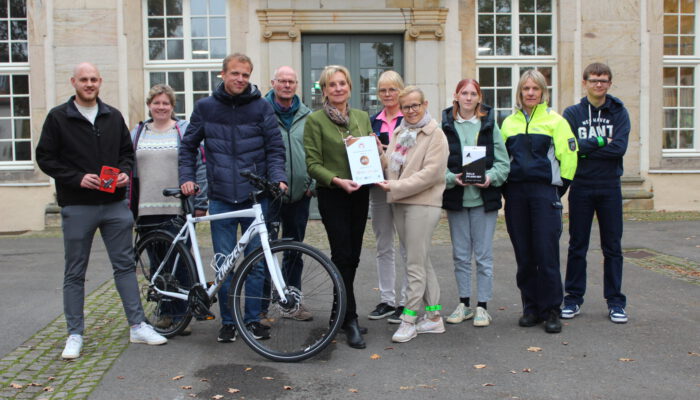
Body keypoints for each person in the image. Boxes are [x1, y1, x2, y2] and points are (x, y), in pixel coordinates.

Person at [36, 62, 167, 360]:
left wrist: (123, 172)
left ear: (100, 81)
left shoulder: (112, 116)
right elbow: (45, 157)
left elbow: (126, 154)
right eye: (84, 79)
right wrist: (76, 178)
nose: (89, 84)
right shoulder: (58, 118)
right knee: (75, 272)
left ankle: (137, 326)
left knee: (124, 267)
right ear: (73, 82)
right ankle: (75, 334)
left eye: (94, 79)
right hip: (77, 205)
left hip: (113, 205)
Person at [179, 53, 287, 343]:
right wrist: (187, 178)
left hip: (256, 197)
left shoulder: (262, 108)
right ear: (223, 74)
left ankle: (251, 319)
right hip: (221, 197)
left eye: (245, 75)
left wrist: (279, 177)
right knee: (224, 264)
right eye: (235, 73)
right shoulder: (206, 108)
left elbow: (275, 148)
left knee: (256, 262)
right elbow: (187, 147)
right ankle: (228, 322)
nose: (240, 79)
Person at [500, 69, 578, 334]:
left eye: (535, 89)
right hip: (516, 194)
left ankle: (552, 309)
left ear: (543, 92)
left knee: (546, 253)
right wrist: (506, 189)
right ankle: (531, 307)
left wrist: (558, 190)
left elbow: (569, 158)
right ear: (520, 93)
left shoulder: (556, 121)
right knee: (524, 253)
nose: (530, 93)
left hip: (545, 193)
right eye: (526, 89)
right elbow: (501, 160)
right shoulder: (508, 123)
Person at [128, 84, 208, 335]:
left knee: (180, 261)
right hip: (145, 208)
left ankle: (181, 314)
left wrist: (201, 201)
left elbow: (200, 164)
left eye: (166, 103)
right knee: (157, 264)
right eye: (156, 103)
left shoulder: (182, 130)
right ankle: (165, 311)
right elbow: (128, 167)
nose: (161, 107)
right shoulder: (138, 133)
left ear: (173, 107)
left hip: (176, 206)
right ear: (149, 105)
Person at [304, 65, 373, 349]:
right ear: (324, 90)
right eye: (332, 84)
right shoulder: (316, 121)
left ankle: (339, 312)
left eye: (342, 83)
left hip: (360, 192)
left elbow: (369, 154)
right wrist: (337, 180)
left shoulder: (361, 118)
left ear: (350, 88)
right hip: (333, 193)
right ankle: (350, 319)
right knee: (342, 254)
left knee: (353, 256)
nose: (338, 88)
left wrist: (377, 151)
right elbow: (312, 164)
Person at [375, 86, 449, 343]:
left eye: (416, 105)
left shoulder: (435, 134)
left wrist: (394, 186)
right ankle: (434, 316)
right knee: (421, 260)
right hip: (400, 202)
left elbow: (430, 174)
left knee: (414, 264)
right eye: (406, 107)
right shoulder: (400, 131)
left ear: (425, 104)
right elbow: (393, 165)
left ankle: (409, 318)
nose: (412, 110)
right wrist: (377, 151)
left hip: (422, 204)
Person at [561, 63, 630, 324]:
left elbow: (620, 148)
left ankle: (615, 302)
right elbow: (570, 148)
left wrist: (586, 148)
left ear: (610, 83)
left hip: (610, 186)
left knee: (612, 247)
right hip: (581, 185)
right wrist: (601, 141)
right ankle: (573, 298)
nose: (598, 84)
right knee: (577, 245)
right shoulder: (573, 113)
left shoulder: (619, 112)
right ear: (585, 82)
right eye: (594, 80)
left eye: (603, 80)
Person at [441, 79, 510, 327]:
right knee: (460, 256)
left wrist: (490, 178)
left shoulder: (490, 126)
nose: (468, 98)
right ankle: (464, 303)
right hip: (457, 200)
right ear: (456, 96)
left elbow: (504, 163)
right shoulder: (445, 126)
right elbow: (436, 164)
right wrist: (451, 178)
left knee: (483, 255)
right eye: (464, 93)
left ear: (479, 98)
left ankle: (482, 306)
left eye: (473, 94)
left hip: (483, 200)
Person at [263, 66, 313, 321]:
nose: (286, 85)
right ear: (273, 83)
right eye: (281, 81)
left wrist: (311, 183)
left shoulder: (307, 115)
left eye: (291, 81)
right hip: (269, 195)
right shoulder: (261, 111)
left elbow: (316, 152)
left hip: (299, 195)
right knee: (265, 251)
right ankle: (260, 307)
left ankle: (292, 303)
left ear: (296, 85)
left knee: (294, 250)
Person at [368, 70, 408, 324]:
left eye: (392, 89)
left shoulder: (409, 118)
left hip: (404, 187)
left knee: (406, 245)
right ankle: (387, 299)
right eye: (383, 90)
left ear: (400, 91)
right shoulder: (373, 121)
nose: (387, 94)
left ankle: (405, 302)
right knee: (384, 244)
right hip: (378, 188)